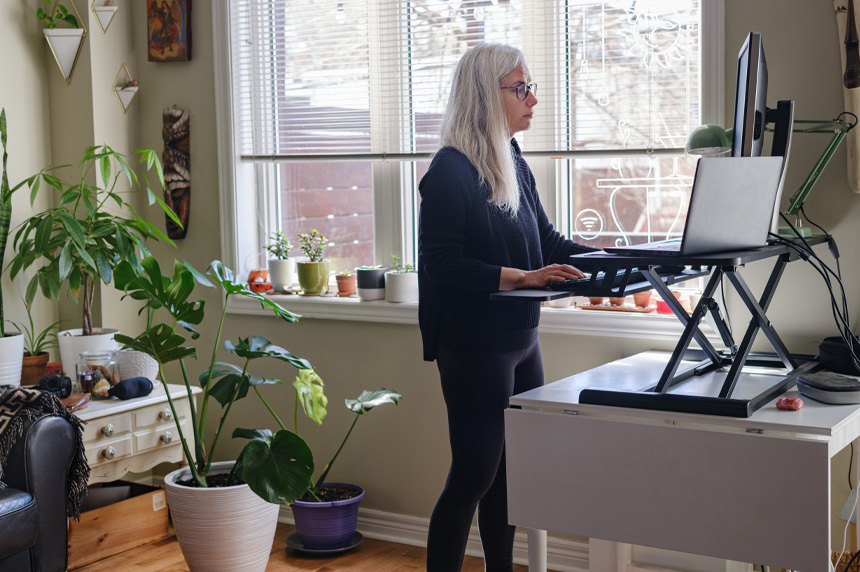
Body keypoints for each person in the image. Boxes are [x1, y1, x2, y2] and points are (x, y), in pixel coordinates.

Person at [418, 43, 596, 572]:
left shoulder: (511, 160)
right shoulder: (449, 170)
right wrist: (522, 277)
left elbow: (546, 240)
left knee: (509, 475)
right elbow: (442, 263)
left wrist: (621, 256)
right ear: (485, 94)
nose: (532, 99)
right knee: (473, 473)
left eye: (529, 87)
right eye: (520, 88)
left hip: (521, 337)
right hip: (475, 342)